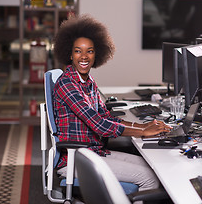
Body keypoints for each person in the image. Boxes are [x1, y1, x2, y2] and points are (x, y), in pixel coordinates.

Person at [52, 14, 171, 191]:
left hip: (94, 151)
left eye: (89, 51)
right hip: (76, 158)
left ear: (96, 53)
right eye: (78, 51)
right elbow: (99, 125)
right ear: (69, 54)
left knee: (153, 167)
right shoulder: (67, 84)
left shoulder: (88, 81)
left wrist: (141, 126)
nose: (84, 56)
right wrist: (142, 132)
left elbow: (105, 116)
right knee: (149, 179)